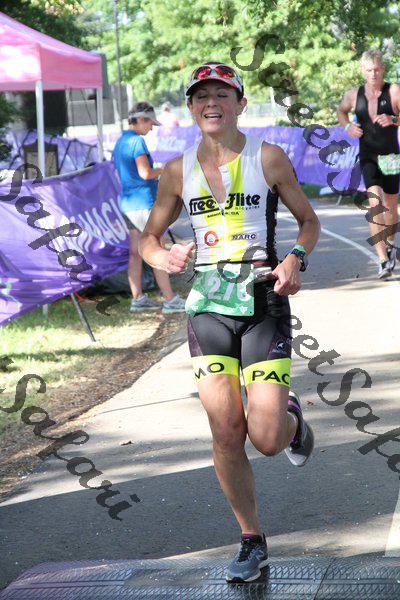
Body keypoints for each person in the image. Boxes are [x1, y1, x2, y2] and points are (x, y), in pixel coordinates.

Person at [140, 62, 320, 583]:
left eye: (222, 94)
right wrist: (163, 258)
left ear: (240, 103)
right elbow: (149, 238)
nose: (211, 103)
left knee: (266, 439)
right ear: (191, 107)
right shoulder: (177, 171)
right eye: (202, 96)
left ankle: (291, 420)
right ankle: (250, 539)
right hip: (208, 308)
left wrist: (295, 260)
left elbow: (309, 221)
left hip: (263, 303)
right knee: (225, 432)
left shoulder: (268, 157)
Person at [113, 101, 185, 313]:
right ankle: (170, 300)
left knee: (135, 253)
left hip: (128, 205)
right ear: (142, 120)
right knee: (157, 249)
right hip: (144, 203)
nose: (152, 128)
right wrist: (163, 170)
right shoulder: (137, 141)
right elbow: (145, 173)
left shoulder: (121, 141)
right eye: (151, 123)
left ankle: (138, 299)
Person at [337, 49, 400, 279]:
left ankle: (390, 244)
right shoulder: (354, 94)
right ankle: (383, 260)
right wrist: (347, 126)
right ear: (363, 70)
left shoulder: (394, 91)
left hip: (391, 155)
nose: (373, 74)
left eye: (376, 69)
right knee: (375, 203)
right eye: (369, 70)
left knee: (390, 205)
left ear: (382, 69)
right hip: (368, 156)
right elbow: (341, 111)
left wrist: (394, 119)